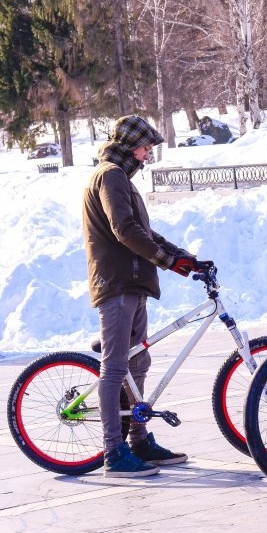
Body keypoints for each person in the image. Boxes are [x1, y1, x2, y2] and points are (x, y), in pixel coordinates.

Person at [82, 116, 199, 478]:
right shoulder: (110, 175)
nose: (149, 156)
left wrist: (184, 259)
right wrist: (167, 261)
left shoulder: (120, 178)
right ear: (132, 146)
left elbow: (144, 230)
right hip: (117, 282)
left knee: (137, 365)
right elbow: (125, 229)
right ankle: (113, 452)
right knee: (116, 367)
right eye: (147, 148)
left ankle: (139, 438)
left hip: (133, 283)